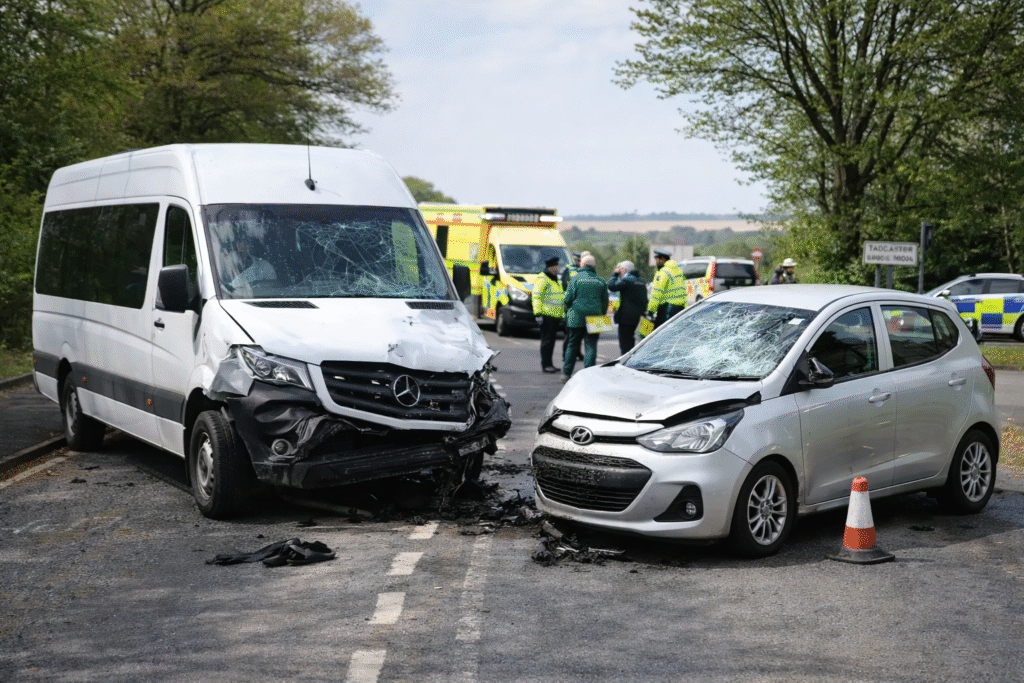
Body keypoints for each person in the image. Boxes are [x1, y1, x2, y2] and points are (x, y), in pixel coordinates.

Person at [561, 254, 608, 382]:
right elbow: (605, 303)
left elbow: (567, 299)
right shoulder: (601, 281)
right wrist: (601, 314)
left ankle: (566, 374)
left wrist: (569, 311)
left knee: (572, 345)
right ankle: (589, 376)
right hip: (595, 317)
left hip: (576, 317)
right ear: (594, 266)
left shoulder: (575, 279)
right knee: (591, 346)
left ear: (582, 265)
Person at [532, 254, 565, 373]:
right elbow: (536, 297)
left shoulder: (555, 280)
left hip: (555, 316)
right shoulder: (543, 279)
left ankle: (550, 363)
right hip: (546, 316)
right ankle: (545, 365)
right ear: (551, 267)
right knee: (547, 342)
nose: (558, 268)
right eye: (556, 266)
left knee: (551, 342)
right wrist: (538, 314)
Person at [607, 260, 648, 354]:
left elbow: (611, 286)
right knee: (631, 341)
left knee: (625, 343)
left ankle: (625, 363)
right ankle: (630, 359)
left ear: (624, 270)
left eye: (620, 270)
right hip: (637, 317)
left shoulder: (628, 280)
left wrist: (615, 275)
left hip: (626, 317)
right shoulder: (641, 281)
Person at [646, 249, 686, 328]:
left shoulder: (663, 272)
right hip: (680, 309)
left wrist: (651, 311)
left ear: (662, 259)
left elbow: (656, 294)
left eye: (657, 259)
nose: (655, 262)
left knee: (659, 336)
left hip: (667, 310)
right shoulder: (678, 271)